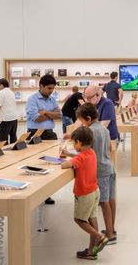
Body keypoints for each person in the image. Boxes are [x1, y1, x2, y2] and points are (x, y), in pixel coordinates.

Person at [68, 103, 117, 245]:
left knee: (103, 202)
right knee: (111, 199)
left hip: (100, 171)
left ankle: (109, 234)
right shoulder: (104, 129)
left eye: (82, 121)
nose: (82, 124)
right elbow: (108, 147)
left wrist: (70, 154)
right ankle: (111, 229)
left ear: (88, 118)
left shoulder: (90, 132)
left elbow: (85, 151)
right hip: (109, 167)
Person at [61, 127, 109, 260]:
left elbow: (65, 165)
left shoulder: (80, 157)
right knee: (92, 218)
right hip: (95, 191)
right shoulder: (91, 152)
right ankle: (91, 250)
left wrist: (64, 159)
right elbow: (80, 157)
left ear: (79, 142)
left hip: (84, 193)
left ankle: (100, 237)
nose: (73, 146)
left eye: (74, 143)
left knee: (79, 219)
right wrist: (69, 154)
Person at [26, 74, 61, 205]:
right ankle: (35, 194)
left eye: (52, 88)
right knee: (35, 164)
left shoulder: (52, 99)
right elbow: (36, 118)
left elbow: (59, 115)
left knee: (50, 164)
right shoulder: (32, 99)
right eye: (49, 88)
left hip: (50, 134)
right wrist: (50, 114)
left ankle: (46, 194)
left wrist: (44, 112)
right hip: (35, 135)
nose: (51, 91)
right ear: (41, 86)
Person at [0, 78, 19, 145]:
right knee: (13, 137)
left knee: (3, 137)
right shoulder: (11, 92)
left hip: (7, 118)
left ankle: (5, 152)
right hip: (14, 118)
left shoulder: (2, 92)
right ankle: (14, 152)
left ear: (2, 85)